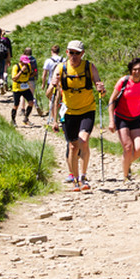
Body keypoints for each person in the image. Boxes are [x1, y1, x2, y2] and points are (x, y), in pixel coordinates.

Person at [47, 40, 105, 191]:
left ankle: (83, 177)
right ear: (66, 52)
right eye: (71, 52)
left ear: (82, 53)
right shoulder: (60, 68)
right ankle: (76, 179)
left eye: (77, 53)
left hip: (87, 109)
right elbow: (49, 95)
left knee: (83, 140)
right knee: (73, 146)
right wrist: (53, 84)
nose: (74, 56)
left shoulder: (89, 67)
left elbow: (101, 91)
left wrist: (101, 89)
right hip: (69, 112)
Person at [107, 58, 140, 182]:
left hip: (135, 118)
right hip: (121, 118)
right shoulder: (123, 81)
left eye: (139, 69)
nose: (137, 72)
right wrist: (111, 120)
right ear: (130, 70)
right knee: (128, 147)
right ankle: (126, 177)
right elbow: (111, 101)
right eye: (134, 69)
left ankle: (126, 162)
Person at [10, 48, 37, 126]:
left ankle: (26, 118)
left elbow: (29, 74)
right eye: (24, 63)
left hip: (25, 87)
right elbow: (14, 78)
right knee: (16, 105)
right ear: (20, 61)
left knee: (31, 102)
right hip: (17, 88)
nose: (25, 64)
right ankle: (13, 120)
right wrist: (21, 71)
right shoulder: (16, 67)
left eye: (26, 63)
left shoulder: (28, 66)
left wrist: (33, 74)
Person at [0, 28, 12, 94]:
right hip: (4, 58)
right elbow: (8, 50)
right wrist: (8, 59)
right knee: (3, 72)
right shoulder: (5, 41)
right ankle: (5, 82)